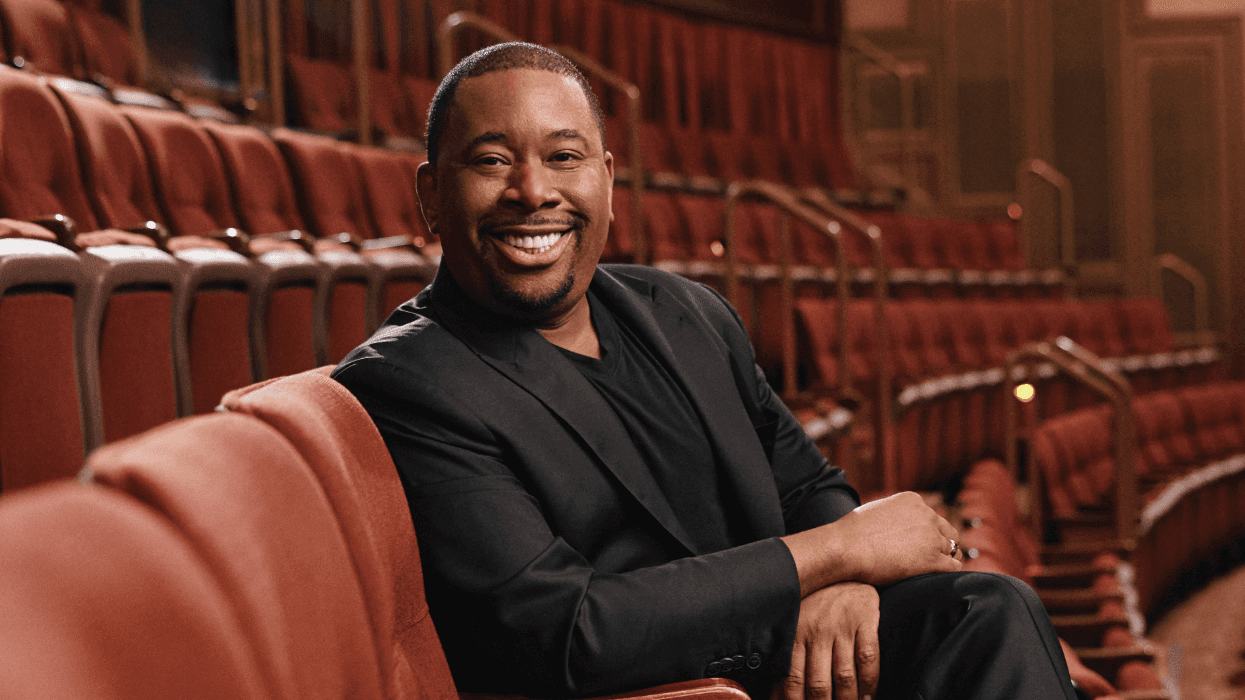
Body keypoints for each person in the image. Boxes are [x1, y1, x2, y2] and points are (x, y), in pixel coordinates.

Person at [332, 42, 1077, 700]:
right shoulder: (411, 383)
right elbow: (565, 631)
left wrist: (842, 583)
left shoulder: (685, 314)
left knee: (983, 614)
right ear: (431, 195)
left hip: (785, 665)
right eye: (491, 160)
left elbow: (806, 487)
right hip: (658, 688)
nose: (533, 190)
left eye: (564, 156)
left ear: (607, 181)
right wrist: (833, 554)